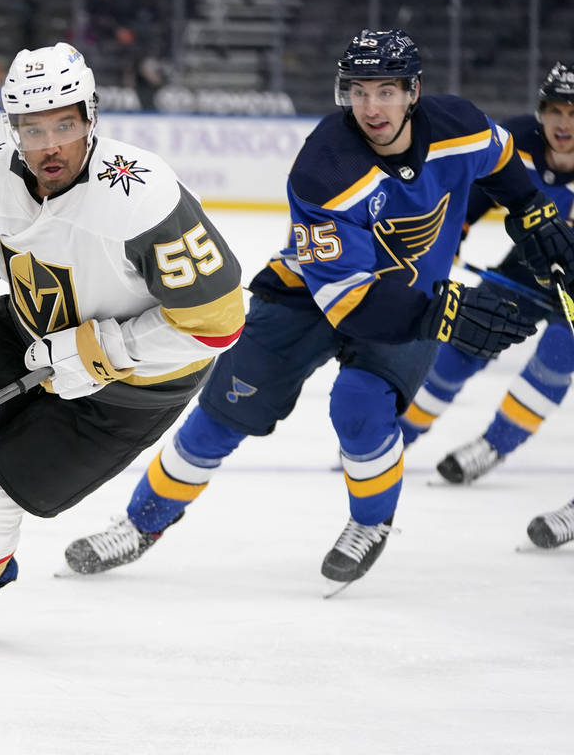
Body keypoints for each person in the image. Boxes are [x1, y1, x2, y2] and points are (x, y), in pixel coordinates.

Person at [64, 29, 574, 588]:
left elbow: (500, 159)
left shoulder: (461, 125)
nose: (371, 107)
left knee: (360, 410)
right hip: (309, 299)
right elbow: (349, 303)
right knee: (220, 416)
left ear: (413, 92)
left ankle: (369, 525)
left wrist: (530, 210)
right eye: (359, 91)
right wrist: (443, 315)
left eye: (385, 91)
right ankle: (142, 523)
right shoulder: (324, 169)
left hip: (413, 301)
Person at [0, 42, 246, 639]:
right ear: (12, 129)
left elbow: (218, 321)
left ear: (90, 117)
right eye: (32, 129)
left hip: (137, 384)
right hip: (29, 329)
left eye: (64, 124)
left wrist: (109, 350)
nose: (49, 144)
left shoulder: (144, 196)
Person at [398, 61, 574, 483]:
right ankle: (397, 434)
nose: (563, 123)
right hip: (530, 266)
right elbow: (475, 192)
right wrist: (452, 235)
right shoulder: (520, 141)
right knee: (470, 335)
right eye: (555, 110)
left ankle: (495, 445)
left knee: (558, 352)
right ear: (540, 113)